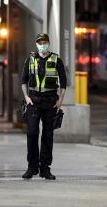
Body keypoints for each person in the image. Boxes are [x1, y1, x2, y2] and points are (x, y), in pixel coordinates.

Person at [21, 33, 67, 180]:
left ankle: (45, 168)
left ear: (48, 43)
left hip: (50, 102)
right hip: (34, 101)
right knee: (32, 133)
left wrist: (60, 100)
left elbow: (64, 82)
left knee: (48, 135)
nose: (42, 45)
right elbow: (23, 81)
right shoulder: (30, 59)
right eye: (40, 42)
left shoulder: (56, 59)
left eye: (44, 42)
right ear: (36, 44)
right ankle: (32, 167)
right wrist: (26, 97)